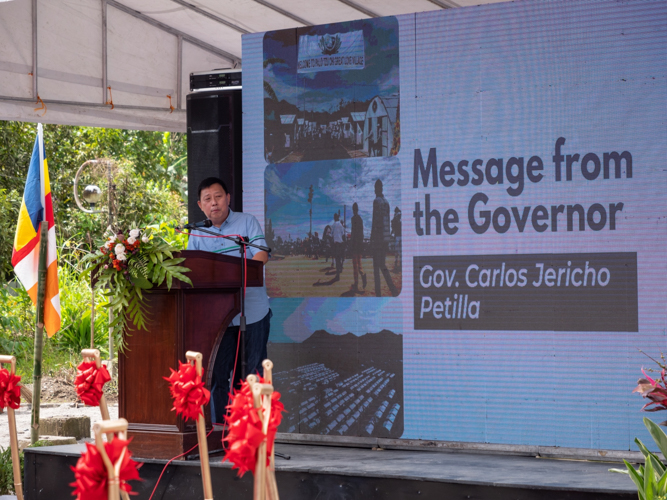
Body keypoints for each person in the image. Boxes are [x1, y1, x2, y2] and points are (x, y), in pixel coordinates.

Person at [187, 177, 271, 424]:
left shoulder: (246, 222)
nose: (214, 203)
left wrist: (237, 273)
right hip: (218, 319)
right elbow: (193, 270)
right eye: (208, 199)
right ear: (201, 205)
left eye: (219, 196)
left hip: (252, 312)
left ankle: (252, 433)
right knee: (217, 375)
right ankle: (222, 433)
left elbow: (261, 255)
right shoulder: (197, 231)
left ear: (229, 198)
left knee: (252, 374)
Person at [370, 179, 398, 297]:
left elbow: (375, 221)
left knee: (376, 267)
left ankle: (378, 294)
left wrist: (372, 239)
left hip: (377, 239)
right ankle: (393, 289)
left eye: (375, 188)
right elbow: (387, 222)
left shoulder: (376, 201)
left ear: (377, 188)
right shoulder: (387, 203)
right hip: (385, 239)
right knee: (382, 265)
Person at [350, 203, 366, 292]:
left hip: (354, 244)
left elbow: (353, 232)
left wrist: (351, 243)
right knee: (359, 264)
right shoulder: (360, 219)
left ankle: (356, 283)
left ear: (353, 209)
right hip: (360, 244)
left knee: (354, 265)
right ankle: (363, 275)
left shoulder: (353, 219)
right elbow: (361, 233)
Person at [332, 212, 345, 281]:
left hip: (336, 244)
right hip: (341, 243)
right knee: (339, 258)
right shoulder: (340, 225)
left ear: (335, 218)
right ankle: (339, 269)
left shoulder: (333, 225)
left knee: (337, 259)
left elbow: (332, 235)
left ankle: (338, 275)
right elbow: (343, 234)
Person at [391, 206, 402, 271]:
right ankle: (399, 265)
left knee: (397, 252)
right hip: (400, 235)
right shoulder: (399, 216)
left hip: (398, 235)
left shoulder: (396, 217)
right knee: (399, 252)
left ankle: (396, 264)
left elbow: (393, 226)